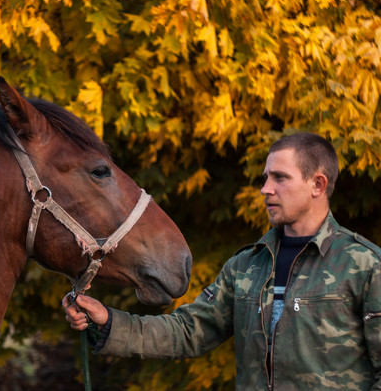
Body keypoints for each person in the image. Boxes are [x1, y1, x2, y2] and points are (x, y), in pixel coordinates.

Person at [63, 132, 381, 390]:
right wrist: (108, 321)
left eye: (280, 178)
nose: (265, 189)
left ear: (318, 185)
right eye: (266, 177)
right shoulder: (246, 266)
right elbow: (189, 331)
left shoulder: (366, 267)